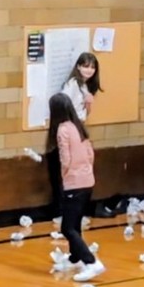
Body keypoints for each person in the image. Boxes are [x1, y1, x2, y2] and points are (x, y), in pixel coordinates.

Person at [46, 93, 103, 282]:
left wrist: (65, 177)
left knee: (67, 228)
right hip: (88, 181)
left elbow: (65, 158)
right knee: (76, 223)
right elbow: (90, 153)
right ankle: (75, 257)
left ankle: (92, 262)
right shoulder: (78, 126)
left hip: (74, 183)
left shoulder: (62, 130)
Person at [49, 52, 102, 221]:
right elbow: (64, 105)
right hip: (71, 129)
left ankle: (76, 212)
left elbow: (85, 112)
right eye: (86, 66)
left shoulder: (85, 86)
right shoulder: (72, 84)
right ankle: (63, 212)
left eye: (92, 67)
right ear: (78, 66)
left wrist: (89, 103)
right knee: (67, 167)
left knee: (80, 168)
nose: (89, 70)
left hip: (79, 128)